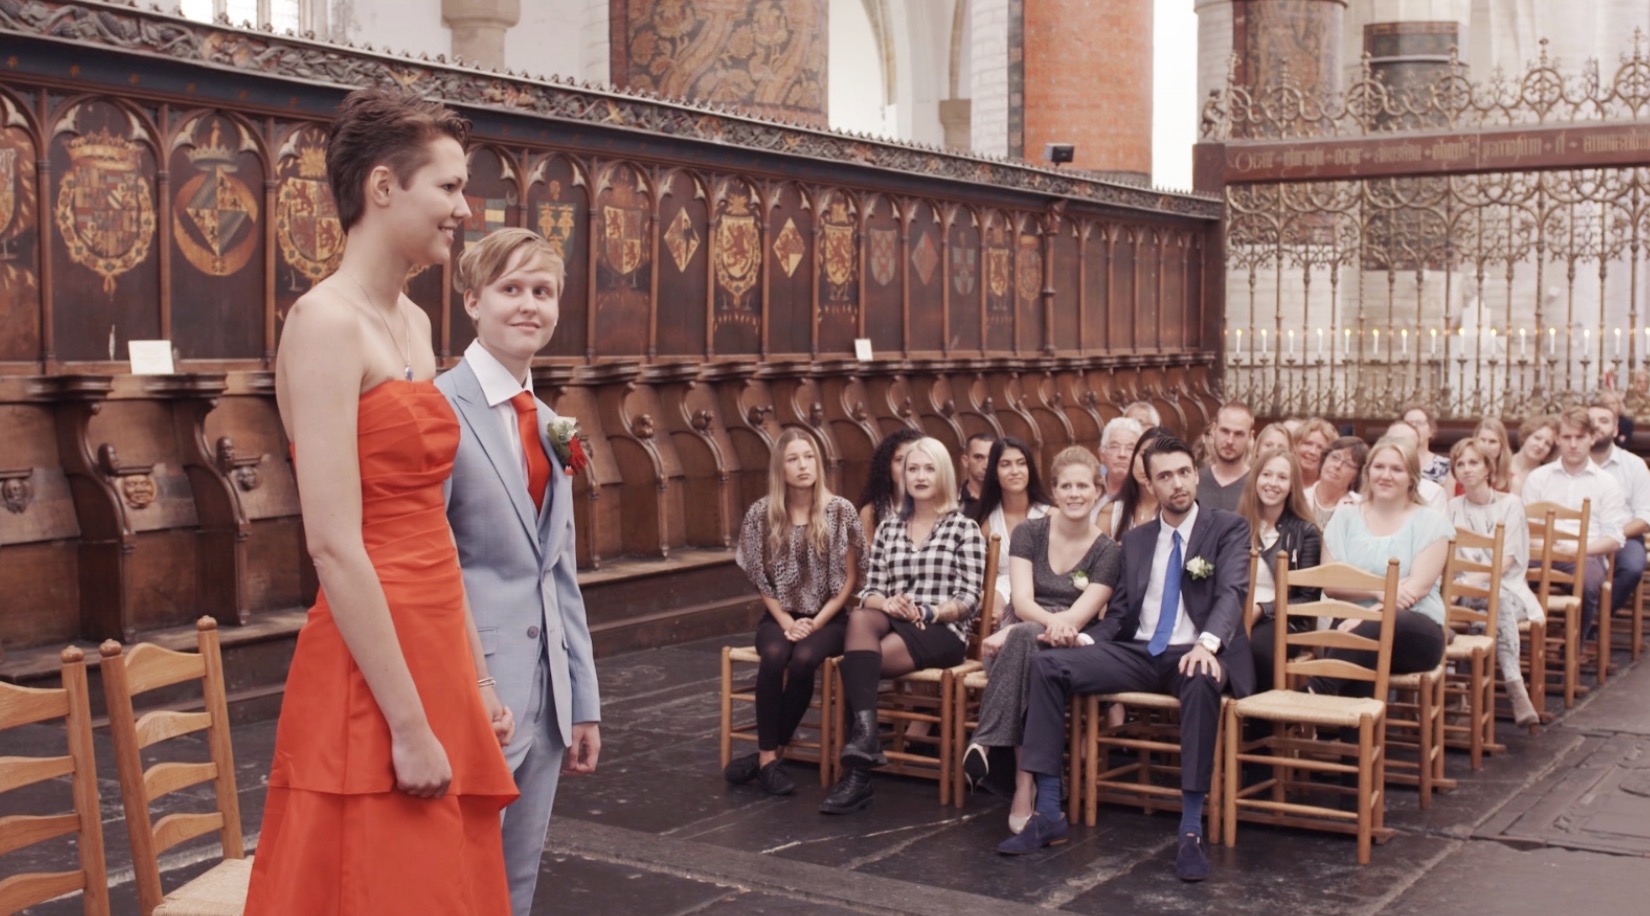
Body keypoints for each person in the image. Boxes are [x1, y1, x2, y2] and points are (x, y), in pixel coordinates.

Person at [246, 89, 517, 914]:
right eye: (450, 187)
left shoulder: (412, 322)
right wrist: (407, 725)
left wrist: (475, 676)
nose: (464, 210)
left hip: (435, 638)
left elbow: (434, 521)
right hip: (373, 661)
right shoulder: (323, 323)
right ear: (383, 187)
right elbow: (333, 545)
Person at [1001, 436, 1254, 885]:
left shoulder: (1227, 528)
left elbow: (1232, 592)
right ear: (1150, 485)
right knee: (1048, 665)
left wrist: (1208, 644)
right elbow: (1119, 615)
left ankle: (1190, 829)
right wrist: (1084, 640)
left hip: (1194, 650)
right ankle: (1049, 811)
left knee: (1200, 678)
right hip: (1138, 651)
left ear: (1195, 476)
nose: (1177, 483)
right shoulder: (1135, 540)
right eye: (1164, 476)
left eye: (1184, 473)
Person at [436, 228, 601, 915]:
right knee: (454, 876)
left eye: (543, 291)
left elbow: (557, 571)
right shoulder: (439, 409)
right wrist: (473, 683)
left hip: (547, 690)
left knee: (516, 881)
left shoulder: (552, 423)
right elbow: (432, 566)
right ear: (472, 301)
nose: (529, 305)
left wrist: (582, 699)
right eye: (510, 289)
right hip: (473, 690)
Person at [822, 437, 986, 814]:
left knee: (855, 666)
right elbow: (870, 590)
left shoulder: (963, 528)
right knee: (861, 617)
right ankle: (867, 740)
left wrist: (929, 611)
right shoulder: (889, 529)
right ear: (903, 476)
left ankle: (857, 776)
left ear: (944, 475)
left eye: (929, 468)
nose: (920, 476)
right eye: (913, 469)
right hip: (893, 621)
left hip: (941, 632)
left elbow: (969, 599)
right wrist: (888, 602)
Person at [962, 447, 1121, 834]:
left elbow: (1080, 616)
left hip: (1068, 646)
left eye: (1082, 486)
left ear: (1097, 490)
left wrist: (1014, 631)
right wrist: (1022, 628)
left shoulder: (1108, 551)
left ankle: (988, 742)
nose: (1074, 494)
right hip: (1020, 640)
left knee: (1030, 647)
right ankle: (1023, 785)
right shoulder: (1029, 533)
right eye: (1065, 486)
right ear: (1054, 490)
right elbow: (1021, 602)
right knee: (1029, 650)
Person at [729, 428, 867, 795]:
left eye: (809, 457)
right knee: (775, 654)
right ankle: (768, 759)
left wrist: (814, 624)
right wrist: (787, 622)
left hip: (830, 618)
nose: (803, 465)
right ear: (780, 468)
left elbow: (849, 580)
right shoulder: (761, 514)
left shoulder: (840, 511)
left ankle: (765, 758)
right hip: (780, 615)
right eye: (793, 459)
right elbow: (760, 579)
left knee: (804, 659)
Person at [1309, 439, 1452, 710]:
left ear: (1412, 478)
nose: (1386, 475)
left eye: (1396, 469)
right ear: (1367, 472)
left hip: (1413, 631)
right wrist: (1376, 592)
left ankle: (1316, 690)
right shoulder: (1344, 518)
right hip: (1350, 629)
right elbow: (1330, 582)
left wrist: (1370, 616)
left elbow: (1416, 588)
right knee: (1363, 648)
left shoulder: (1431, 522)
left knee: (1378, 627)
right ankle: (1351, 736)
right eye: (1379, 467)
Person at [1447, 438, 1542, 727]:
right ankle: (1515, 688)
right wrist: (1459, 587)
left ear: (1488, 468)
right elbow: (1442, 555)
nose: (1466, 469)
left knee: (1495, 601)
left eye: (1473, 462)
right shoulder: (1451, 507)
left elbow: (1507, 560)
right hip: (1465, 595)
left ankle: (1466, 689)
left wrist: (1466, 583)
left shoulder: (1510, 504)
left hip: (1508, 590)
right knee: (1489, 604)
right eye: (1460, 464)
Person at [1522, 407, 1630, 639]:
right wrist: (1545, 545)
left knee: (1588, 582)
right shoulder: (1539, 477)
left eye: (1580, 437)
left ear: (1592, 438)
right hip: (1540, 551)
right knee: (1506, 571)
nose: (1573, 444)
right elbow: (1525, 527)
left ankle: (1572, 646)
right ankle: (1520, 642)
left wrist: (1578, 550)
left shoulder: (1606, 483)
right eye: (1567, 437)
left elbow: (1614, 538)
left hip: (1585, 555)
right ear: (1558, 439)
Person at [1236, 449, 1321, 689]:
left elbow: (1308, 600)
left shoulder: (1306, 532)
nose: (1272, 483)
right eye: (1267, 475)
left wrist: (1262, 610)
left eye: (1282, 477)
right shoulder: (1235, 526)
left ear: (1293, 486)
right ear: (1255, 478)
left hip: (1284, 620)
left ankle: (1257, 713)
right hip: (1235, 614)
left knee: (1255, 650)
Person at [968, 436, 1053, 616]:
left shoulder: (1052, 515)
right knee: (987, 601)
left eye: (1021, 463)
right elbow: (978, 576)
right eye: (1005, 465)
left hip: (1046, 590)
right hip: (1003, 589)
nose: (1015, 471)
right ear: (995, 472)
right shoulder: (987, 522)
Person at [1587, 396, 1650, 620]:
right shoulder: (1572, 463)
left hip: (1624, 536)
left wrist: (1610, 536)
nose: (1596, 426)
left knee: (1632, 567)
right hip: (1578, 535)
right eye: (1591, 421)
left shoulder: (1634, 465)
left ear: (1615, 430)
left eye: (1603, 421)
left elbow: (1645, 517)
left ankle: (1593, 621)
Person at [858, 428, 924, 537]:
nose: (906, 467)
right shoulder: (872, 512)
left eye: (913, 459)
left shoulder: (937, 508)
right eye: (900, 460)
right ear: (887, 465)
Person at [1109, 426, 1169, 538]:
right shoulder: (1111, 512)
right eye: (1144, 456)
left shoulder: (1178, 513)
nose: (1147, 466)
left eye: (1158, 458)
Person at [1197, 401, 1255, 512]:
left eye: (1238, 434)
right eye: (1225, 431)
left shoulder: (1257, 485)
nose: (1230, 441)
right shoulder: (1195, 481)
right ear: (1214, 430)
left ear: (1250, 436)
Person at [1385, 421, 1449, 512]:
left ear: (1415, 451)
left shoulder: (1432, 492)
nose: (1394, 448)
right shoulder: (1372, 483)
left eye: (1402, 444)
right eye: (1389, 441)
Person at [1305, 436, 1367, 527]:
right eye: (1335, 457)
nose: (1337, 465)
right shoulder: (1299, 498)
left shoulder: (1361, 508)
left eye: (1348, 464)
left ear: (1357, 476)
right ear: (1324, 459)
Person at [1098, 416, 1145, 510]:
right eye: (1114, 447)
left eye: (1130, 448)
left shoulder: (1146, 494)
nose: (1122, 454)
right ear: (1102, 454)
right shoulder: (1091, 489)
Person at [1506, 414, 1559, 497]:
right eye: (1537, 438)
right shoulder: (1501, 464)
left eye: (1547, 444)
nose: (1541, 446)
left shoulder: (1547, 477)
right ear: (1525, 436)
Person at [1401, 403, 1453, 487]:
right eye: (1408, 423)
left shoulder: (1445, 466)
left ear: (1431, 430)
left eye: (1419, 423)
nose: (1414, 426)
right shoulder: (1392, 462)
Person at [959, 432, 997, 514]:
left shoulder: (1005, 499)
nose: (986, 466)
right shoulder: (953, 502)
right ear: (965, 461)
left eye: (991, 458)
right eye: (979, 457)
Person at [1293, 418, 1337, 488]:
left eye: (1320, 447)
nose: (1312, 451)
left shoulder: (1332, 489)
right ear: (1295, 445)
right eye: (1308, 443)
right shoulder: (1280, 481)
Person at [1473, 418, 1514, 492]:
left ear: (1502, 446)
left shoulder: (1512, 481)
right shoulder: (1458, 473)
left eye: (1492, 441)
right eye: (1482, 440)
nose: (1486, 446)